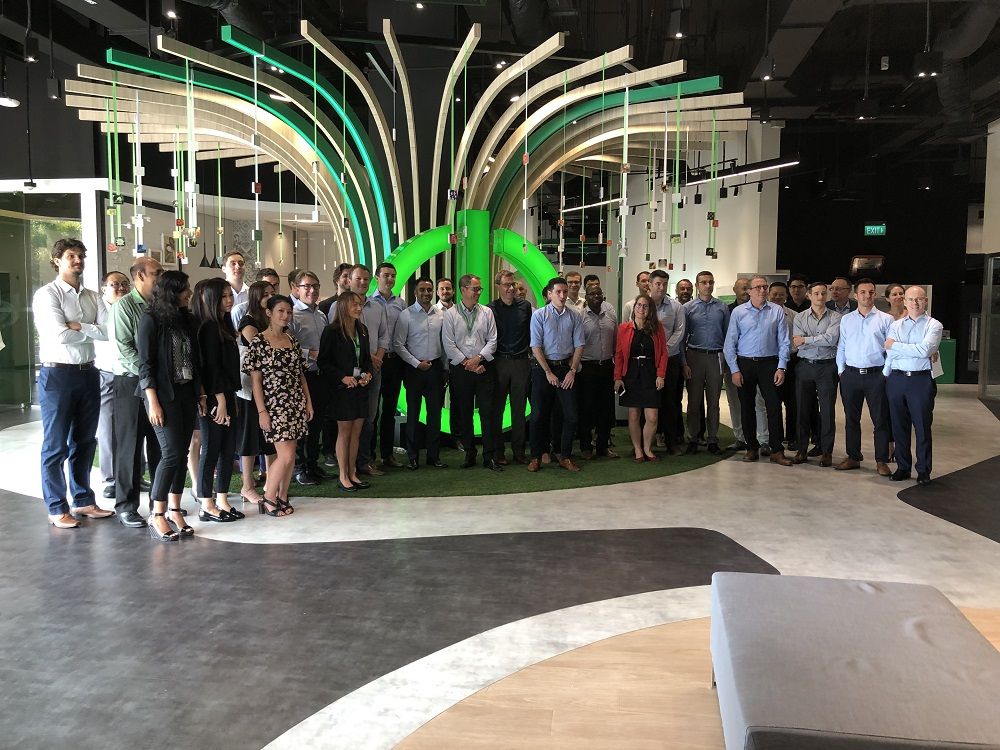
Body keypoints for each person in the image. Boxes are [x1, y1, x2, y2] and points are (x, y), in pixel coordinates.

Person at [32, 238, 114, 529]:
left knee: (84, 442)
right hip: (57, 376)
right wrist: (90, 330)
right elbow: (60, 335)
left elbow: (109, 331)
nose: (78, 260)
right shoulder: (47, 295)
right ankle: (56, 507)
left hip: (89, 373)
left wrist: (80, 326)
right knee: (55, 445)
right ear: (57, 260)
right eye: (71, 256)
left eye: (81, 256)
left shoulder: (92, 296)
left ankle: (83, 500)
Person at [137, 270, 201, 541]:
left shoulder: (187, 319)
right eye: (185, 289)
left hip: (186, 393)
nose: (189, 293)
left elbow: (195, 361)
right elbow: (145, 365)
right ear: (171, 292)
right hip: (162, 396)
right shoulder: (151, 319)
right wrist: (152, 401)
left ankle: (175, 510)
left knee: (181, 452)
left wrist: (200, 395)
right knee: (171, 453)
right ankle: (157, 514)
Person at [244, 295, 313, 515]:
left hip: (295, 402)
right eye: (281, 311)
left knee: (291, 455)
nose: (285, 315)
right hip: (274, 405)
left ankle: (282, 496)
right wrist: (262, 411)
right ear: (269, 313)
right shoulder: (259, 342)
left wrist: (308, 403)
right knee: (285, 455)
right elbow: (255, 382)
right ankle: (269, 497)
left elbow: (301, 375)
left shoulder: (291, 340)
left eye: (289, 312)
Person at [110, 257, 163, 528]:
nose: (160, 278)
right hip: (131, 382)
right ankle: (126, 506)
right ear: (140, 276)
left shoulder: (160, 305)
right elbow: (125, 350)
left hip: (158, 382)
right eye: (156, 273)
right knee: (130, 446)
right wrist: (149, 376)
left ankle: (159, 504)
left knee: (159, 445)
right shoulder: (123, 306)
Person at [723, 275, 793, 465]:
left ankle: (777, 450)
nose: (762, 290)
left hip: (770, 364)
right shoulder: (738, 312)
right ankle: (751, 448)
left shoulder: (777, 311)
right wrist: (734, 370)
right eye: (758, 287)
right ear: (749, 291)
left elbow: (784, 341)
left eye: (764, 287)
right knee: (746, 407)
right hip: (745, 364)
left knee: (774, 406)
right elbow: (730, 343)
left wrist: (781, 367)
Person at [330, 265, 389, 478]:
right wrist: (367, 358)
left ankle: (363, 462)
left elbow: (384, 337)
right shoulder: (337, 308)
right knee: (346, 425)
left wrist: (375, 360)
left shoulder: (377, 307)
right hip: (345, 378)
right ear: (349, 280)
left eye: (366, 279)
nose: (363, 282)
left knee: (368, 419)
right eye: (358, 279)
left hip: (370, 372)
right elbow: (334, 346)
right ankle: (344, 469)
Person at [193, 278, 243, 521]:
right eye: (223, 296)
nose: (229, 300)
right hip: (214, 397)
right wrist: (220, 400)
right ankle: (206, 503)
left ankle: (222, 499)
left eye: (230, 295)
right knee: (211, 448)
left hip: (229, 393)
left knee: (228, 449)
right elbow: (210, 368)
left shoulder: (224, 323)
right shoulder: (208, 327)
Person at [442, 274, 503, 472]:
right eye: (475, 289)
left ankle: (489, 456)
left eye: (479, 289)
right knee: (464, 413)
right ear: (463, 290)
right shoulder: (450, 314)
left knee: (488, 413)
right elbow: (448, 344)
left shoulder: (487, 312)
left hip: (484, 368)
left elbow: (493, 340)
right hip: (461, 370)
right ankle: (470, 452)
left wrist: (478, 359)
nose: (478, 292)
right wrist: (467, 363)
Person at [883, 286, 943, 486]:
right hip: (897, 379)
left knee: (922, 426)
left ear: (925, 301)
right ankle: (903, 467)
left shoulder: (934, 325)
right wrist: (907, 350)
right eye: (911, 299)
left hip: (921, 381)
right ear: (905, 302)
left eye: (919, 299)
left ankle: (923, 470)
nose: (915, 303)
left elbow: (924, 350)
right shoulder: (896, 325)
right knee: (899, 426)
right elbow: (890, 354)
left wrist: (895, 345)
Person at [836, 278, 894, 476]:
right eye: (863, 292)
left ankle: (881, 461)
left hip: (876, 375)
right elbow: (842, 345)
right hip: (850, 375)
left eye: (871, 292)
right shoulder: (847, 319)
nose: (867, 296)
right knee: (851, 419)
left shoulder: (886, 319)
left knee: (880, 420)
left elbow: (890, 349)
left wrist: (885, 373)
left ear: (875, 294)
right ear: (855, 295)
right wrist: (841, 370)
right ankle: (853, 456)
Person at [528, 276, 585, 472]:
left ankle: (565, 456)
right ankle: (536, 456)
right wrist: (547, 372)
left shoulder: (575, 316)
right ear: (549, 294)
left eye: (564, 292)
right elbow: (535, 346)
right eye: (558, 292)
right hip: (542, 368)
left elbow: (579, 345)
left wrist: (572, 371)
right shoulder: (539, 315)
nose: (562, 295)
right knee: (538, 415)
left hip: (565, 368)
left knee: (571, 416)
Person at [319, 291, 374, 491]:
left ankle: (352, 473)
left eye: (360, 304)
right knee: (344, 432)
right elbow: (323, 362)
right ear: (343, 306)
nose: (359, 308)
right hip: (341, 389)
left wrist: (367, 374)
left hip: (360, 388)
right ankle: (343, 476)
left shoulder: (363, 330)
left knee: (356, 432)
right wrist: (342, 377)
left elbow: (366, 358)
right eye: (354, 305)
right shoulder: (331, 331)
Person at [627, 270, 686, 453]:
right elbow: (630, 331)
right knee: (644, 402)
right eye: (658, 283)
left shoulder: (676, 307)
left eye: (664, 284)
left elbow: (679, 331)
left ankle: (671, 442)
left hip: (670, 360)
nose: (661, 287)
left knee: (670, 402)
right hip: (645, 363)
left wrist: (663, 350)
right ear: (650, 284)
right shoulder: (639, 305)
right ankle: (644, 445)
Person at [393, 277, 447, 470]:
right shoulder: (406, 315)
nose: (426, 293)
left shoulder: (441, 314)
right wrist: (417, 363)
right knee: (413, 415)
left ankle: (433, 456)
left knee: (435, 415)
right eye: (422, 290)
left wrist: (445, 368)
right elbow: (398, 344)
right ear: (415, 292)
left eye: (429, 290)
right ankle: (413, 457)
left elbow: (445, 344)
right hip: (414, 370)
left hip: (435, 369)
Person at [235, 280, 277, 503]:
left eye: (272, 293)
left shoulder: (270, 319)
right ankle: (247, 486)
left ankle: (271, 480)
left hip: (270, 387)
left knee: (269, 437)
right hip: (249, 389)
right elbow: (263, 353)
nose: (270, 297)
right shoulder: (249, 322)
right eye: (265, 294)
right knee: (249, 437)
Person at [791, 282, 841, 466]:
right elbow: (797, 342)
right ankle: (802, 449)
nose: (821, 296)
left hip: (827, 367)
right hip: (805, 366)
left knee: (827, 411)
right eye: (817, 293)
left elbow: (831, 339)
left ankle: (826, 451)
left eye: (823, 293)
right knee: (802, 409)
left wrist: (806, 339)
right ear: (809, 295)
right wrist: (811, 340)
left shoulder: (836, 317)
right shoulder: (799, 317)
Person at [614, 294, 666, 462]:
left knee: (652, 416)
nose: (641, 309)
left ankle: (647, 448)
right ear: (634, 307)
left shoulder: (657, 328)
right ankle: (637, 449)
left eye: (645, 306)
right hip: (631, 375)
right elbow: (619, 355)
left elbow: (663, 353)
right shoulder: (624, 328)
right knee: (634, 415)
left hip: (651, 374)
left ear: (650, 310)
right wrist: (618, 377)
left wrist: (661, 374)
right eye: (639, 305)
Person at [288, 269, 328, 485]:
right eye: (307, 286)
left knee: (317, 424)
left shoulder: (321, 315)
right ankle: (300, 468)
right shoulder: (292, 315)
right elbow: (286, 346)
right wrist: (309, 353)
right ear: (296, 289)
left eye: (315, 286)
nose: (312, 290)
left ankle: (312, 464)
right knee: (302, 424)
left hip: (321, 377)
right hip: (302, 377)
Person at [489, 269, 533, 465]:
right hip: (499, 363)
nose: (511, 288)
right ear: (498, 286)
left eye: (512, 284)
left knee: (519, 410)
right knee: (497, 410)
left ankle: (519, 451)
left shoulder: (526, 306)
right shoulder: (490, 309)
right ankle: (498, 452)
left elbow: (531, 334)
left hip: (521, 363)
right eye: (506, 285)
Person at [682, 271, 729, 455]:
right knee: (693, 402)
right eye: (703, 282)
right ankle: (693, 438)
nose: (707, 286)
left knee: (714, 402)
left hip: (716, 356)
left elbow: (728, 336)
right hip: (694, 356)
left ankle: (712, 439)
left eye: (710, 282)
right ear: (697, 285)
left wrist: (727, 361)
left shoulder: (722, 307)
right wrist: (684, 363)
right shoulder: (688, 308)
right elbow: (682, 338)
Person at [95, 270, 130, 499]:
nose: (121, 288)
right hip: (106, 373)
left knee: (131, 427)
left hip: (128, 374)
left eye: (124, 284)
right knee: (107, 428)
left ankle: (134, 475)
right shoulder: (98, 310)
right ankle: (110, 479)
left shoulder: (130, 308)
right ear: (104, 288)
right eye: (114, 284)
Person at [370, 262, 408, 468]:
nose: (390, 279)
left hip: (395, 361)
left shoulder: (400, 304)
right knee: (372, 412)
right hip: (375, 362)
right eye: (386, 275)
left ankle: (387, 455)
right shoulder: (368, 303)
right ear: (377, 277)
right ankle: (369, 457)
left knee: (390, 410)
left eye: (393, 275)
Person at [577, 284, 618, 459]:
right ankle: (586, 447)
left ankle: (603, 447)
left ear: (603, 296)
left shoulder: (611, 316)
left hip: (607, 367)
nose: (596, 296)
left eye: (598, 293)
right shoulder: (580, 317)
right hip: (587, 368)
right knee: (586, 409)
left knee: (606, 410)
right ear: (586, 297)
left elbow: (616, 342)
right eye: (592, 294)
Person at [723, 277, 751, 452]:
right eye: (743, 288)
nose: (746, 291)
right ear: (734, 290)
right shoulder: (727, 311)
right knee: (734, 402)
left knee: (756, 402)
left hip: (753, 363)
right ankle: (740, 437)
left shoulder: (758, 309)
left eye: (749, 287)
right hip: (732, 362)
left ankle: (759, 438)